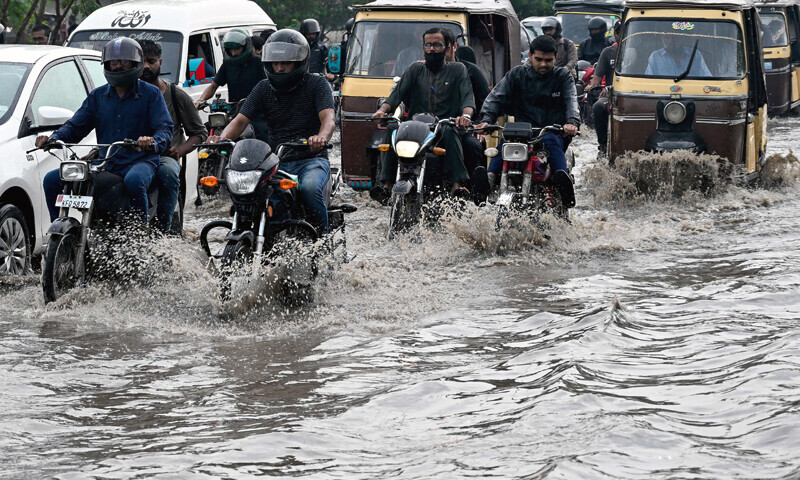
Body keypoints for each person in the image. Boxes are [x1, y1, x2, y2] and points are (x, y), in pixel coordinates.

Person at [211, 29, 335, 234]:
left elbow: (328, 118)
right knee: (250, 193)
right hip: (276, 162)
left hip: (311, 160)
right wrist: (222, 139)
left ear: (299, 62)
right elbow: (240, 120)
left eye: (285, 63)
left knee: (310, 189)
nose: (279, 68)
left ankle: (321, 242)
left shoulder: (317, 84)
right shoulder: (263, 88)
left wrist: (321, 137)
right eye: (275, 63)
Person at [38, 38, 173, 224]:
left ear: (135, 64)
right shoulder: (97, 96)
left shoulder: (151, 94)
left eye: (124, 61)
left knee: (134, 181)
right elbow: (75, 126)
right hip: (106, 163)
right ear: (106, 64)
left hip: (140, 160)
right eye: (113, 62)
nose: (118, 66)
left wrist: (151, 142)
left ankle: (139, 235)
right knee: (52, 180)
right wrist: (54, 138)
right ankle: (60, 232)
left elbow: (164, 128)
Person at [370, 27, 476, 202]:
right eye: (428, 45)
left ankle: (458, 185)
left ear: (447, 48)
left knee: (450, 131)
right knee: (392, 129)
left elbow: (468, 100)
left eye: (437, 45)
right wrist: (382, 111)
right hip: (415, 126)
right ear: (423, 47)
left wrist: (465, 116)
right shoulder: (415, 69)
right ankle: (386, 184)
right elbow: (396, 95)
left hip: (443, 125)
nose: (432, 49)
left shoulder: (458, 69)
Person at [475, 35, 579, 208]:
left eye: (548, 60)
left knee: (551, 141)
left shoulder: (563, 76)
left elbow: (571, 100)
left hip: (552, 131)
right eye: (538, 59)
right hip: (521, 131)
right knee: (504, 143)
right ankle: (489, 180)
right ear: (530, 56)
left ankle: (562, 184)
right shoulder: (517, 74)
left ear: (555, 58)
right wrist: (486, 120)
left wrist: (572, 122)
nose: (543, 64)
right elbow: (496, 98)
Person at [139, 39, 208, 233]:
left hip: (164, 157)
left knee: (168, 173)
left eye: (151, 61)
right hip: (133, 156)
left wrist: (178, 150)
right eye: (141, 61)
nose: (146, 66)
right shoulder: (125, 93)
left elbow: (199, 133)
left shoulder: (176, 95)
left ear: (160, 63)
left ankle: (165, 230)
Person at [194, 29, 266, 107]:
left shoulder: (258, 62)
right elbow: (213, 86)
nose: (233, 53)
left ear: (245, 46)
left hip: (256, 110)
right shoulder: (228, 64)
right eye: (231, 49)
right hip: (235, 110)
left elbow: (268, 86)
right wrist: (200, 100)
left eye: (237, 49)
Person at [587, 20, 621, 158]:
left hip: (634, 95)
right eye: (618, 32)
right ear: (614, 33)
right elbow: (597, 76)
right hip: (610, 95)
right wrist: (591, 86)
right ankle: (602, 147)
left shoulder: (642, 51)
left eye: (625, 31)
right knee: (598, 107)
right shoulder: (608, 52)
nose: (621, 35)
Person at [645, 33, 711, 77]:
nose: (671, 41)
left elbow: (707, 77)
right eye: (667, 37)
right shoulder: (655, 57)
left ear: (681, 38)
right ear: (662, 39)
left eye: (675, 37)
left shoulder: (695, 54)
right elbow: (648, 81)